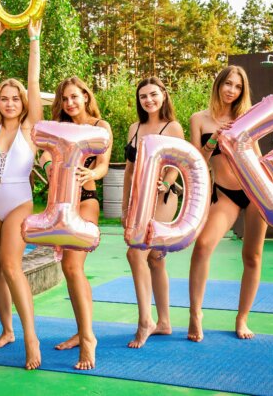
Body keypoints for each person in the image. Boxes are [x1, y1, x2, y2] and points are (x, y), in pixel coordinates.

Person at [0, 20, 43, 370]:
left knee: (11, 265)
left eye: (14, 98)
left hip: (18, 201)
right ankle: (7, 330)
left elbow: (33, 83)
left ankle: (31, 338)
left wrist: (33, 39)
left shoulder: (31, 128)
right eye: (4, 99)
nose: (8, 102)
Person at [188, 65, 267, 342]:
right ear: (218, 85)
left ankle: (242, 318)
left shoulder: (246, 118)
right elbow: (195, 164)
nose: (231, 90)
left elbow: (257, 156)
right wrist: (212, 141)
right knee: (203, 245)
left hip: (256, 191)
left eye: (237, 86)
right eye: (228, 84)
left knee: (252, 257)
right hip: (226, 195)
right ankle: (195, 314)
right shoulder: (200, 119)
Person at [43, 76, 112, 370]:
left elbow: (103, 165)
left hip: (85, 198)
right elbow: (45, 155)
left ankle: (88, 339)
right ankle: (80, 330)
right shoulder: (58, 128)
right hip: (59, 201)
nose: (70, 103)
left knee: (73, 266)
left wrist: (91, 175)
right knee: (69, 271)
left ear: (85, 96)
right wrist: (48, 167)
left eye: (75, 97)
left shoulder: (100, 127)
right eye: (65, 98)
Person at [121, 77, 185, 348]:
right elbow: (129, 169)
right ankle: (165, 322)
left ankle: (145, 321)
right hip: (138, 198)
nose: (148, 100)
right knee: (156, 259)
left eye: (153, 94)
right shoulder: (135, 128)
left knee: (136, 252)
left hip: (162, 196)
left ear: (164, 96)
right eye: (143, 96)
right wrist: (124, 206)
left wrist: (166, 183)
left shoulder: (173, 128)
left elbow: (180, 163)